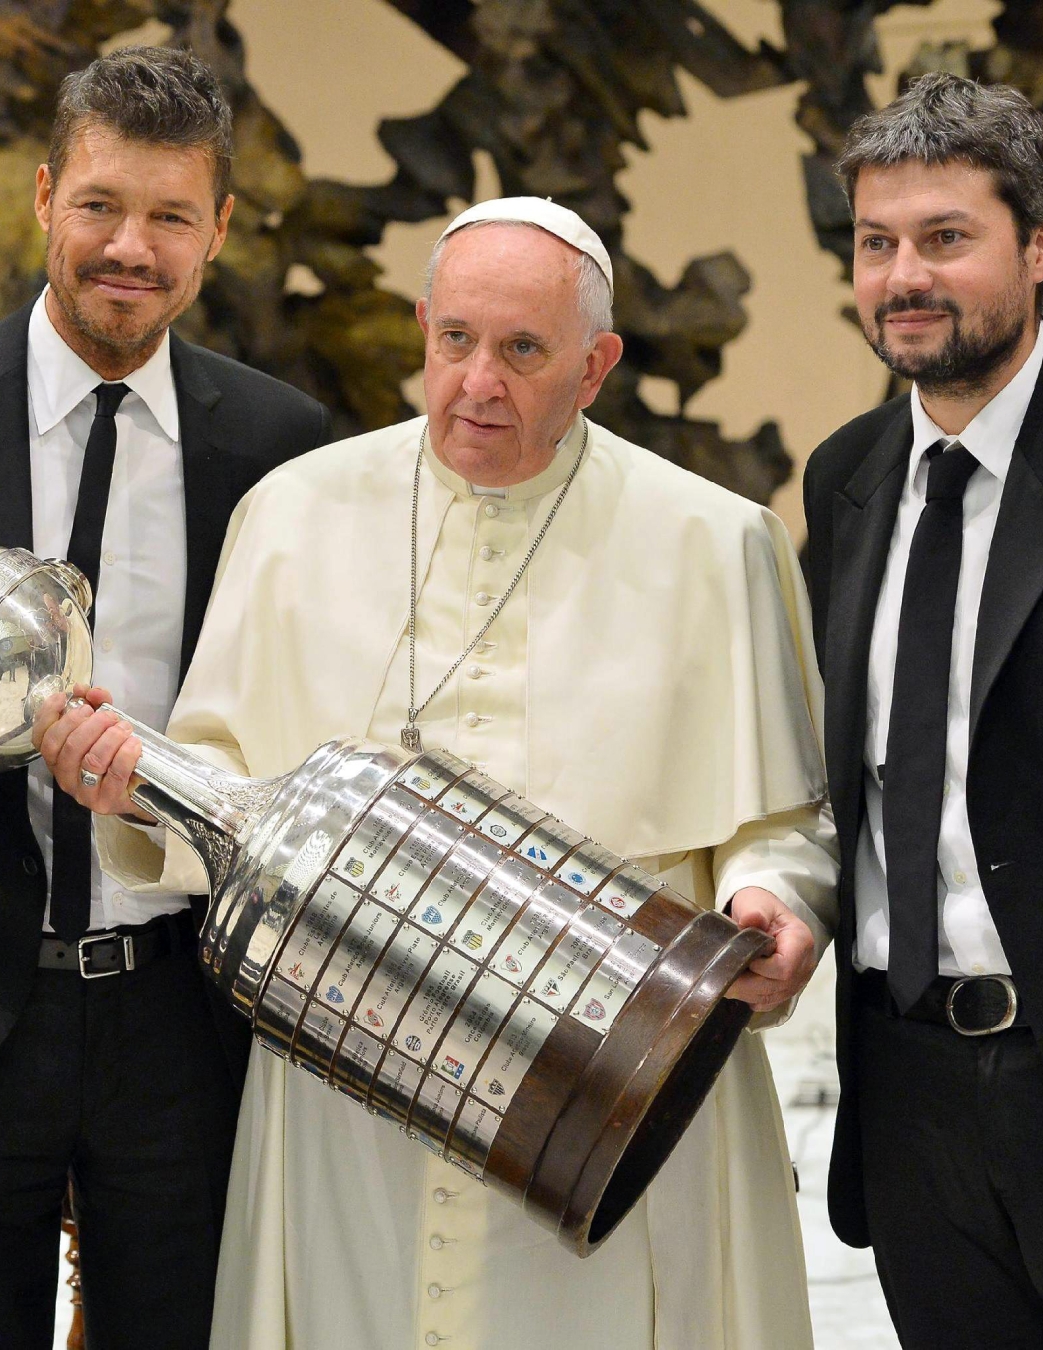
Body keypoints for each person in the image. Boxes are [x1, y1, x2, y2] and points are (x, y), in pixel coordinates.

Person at [40, 196, 838, 1350]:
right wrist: (140, 780)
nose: (478, 386)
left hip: (603, 1085)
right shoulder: (293, 516)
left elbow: (780, 821)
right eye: (454, 340)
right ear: (423, 326)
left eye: (524, 351)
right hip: (345, 1086)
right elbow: (220, 771)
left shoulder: (713, 543)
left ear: (597, 365)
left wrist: (772, 901)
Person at [0, 45, 330, 1350]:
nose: (129, 246)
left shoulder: (280, 447)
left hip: (181, 1007)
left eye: (170, 216)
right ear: (42, 197)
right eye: (100, 206)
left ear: (221, 231)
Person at [803, 71, 1043, 1348]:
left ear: (1042, 243)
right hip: (906, 1083)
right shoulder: (848, 479)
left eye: (945, 239)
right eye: (877, 243)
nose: (903, 275)